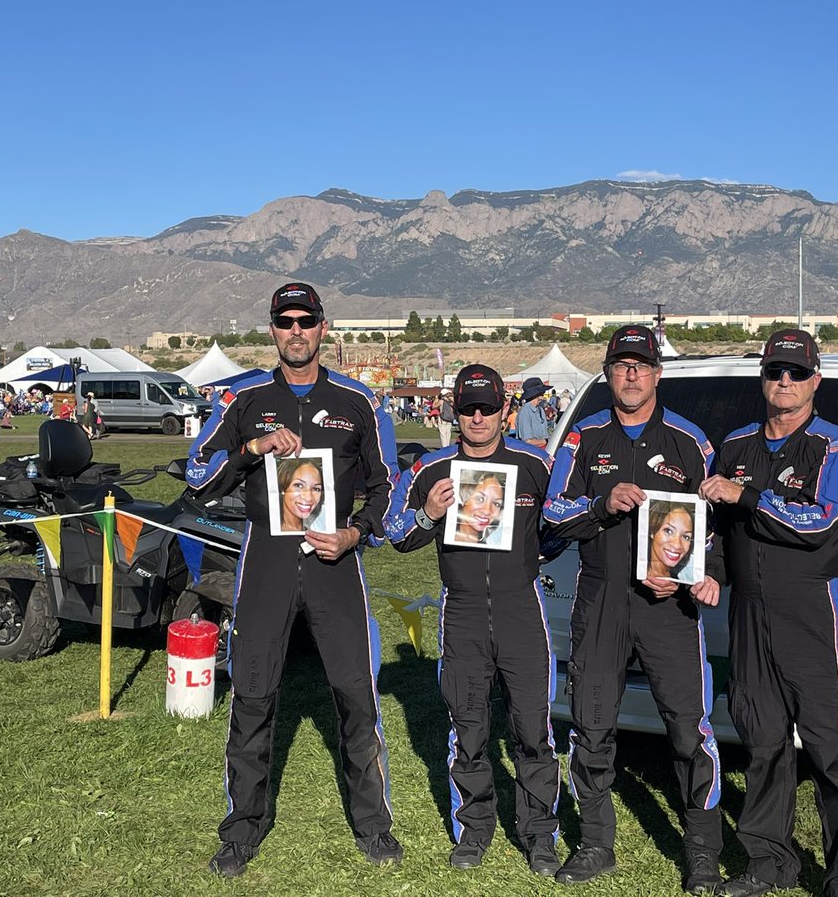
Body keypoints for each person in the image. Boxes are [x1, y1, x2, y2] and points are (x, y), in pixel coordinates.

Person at [187, 281, 403, 878]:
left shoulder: (360, 401)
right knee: (253, 695)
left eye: (307, 320)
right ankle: (242, 828)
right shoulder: (243, 397)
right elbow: (199, 477)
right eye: (286, 321)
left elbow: (390, 487)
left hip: (336, 564)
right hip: (266, 563)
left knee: (356, 695)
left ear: (323, 327)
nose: (297, 330)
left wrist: (357, 533)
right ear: (273, 329)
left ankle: (372, 823)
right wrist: (253, 447)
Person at [543, 325, 725, 893]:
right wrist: (601, 505)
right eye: (621, 365)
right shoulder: (583, 438)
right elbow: (551, 514)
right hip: (599, 598)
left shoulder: (690, 441)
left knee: (689, 729)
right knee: (592, 724)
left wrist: (706, 574)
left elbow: (717, 526)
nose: (630, 374)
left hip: (666, 607)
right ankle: (595, 844)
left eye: (641, 365)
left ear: (657, 373)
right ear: (606, 372)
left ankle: (702, 855)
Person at [700, 328, 838, 897]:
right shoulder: (737, 445)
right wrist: (712, 574)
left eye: (796, 373)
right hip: (750, 615)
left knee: (829, 749)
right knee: (763, 742)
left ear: (815, 380)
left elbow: (820, 521)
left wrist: (744, 496)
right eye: (775, 372)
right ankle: (767, 863)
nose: (784, 382)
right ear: (763, 378)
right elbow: (720, 531)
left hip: (812, 612)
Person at [385, 363, 561, 877]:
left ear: (506, 411)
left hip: (521, 609)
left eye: (487, 407)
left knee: (532, 728)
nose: (478, 417)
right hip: (460, 610)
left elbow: (560, 524)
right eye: (468, 409)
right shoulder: (432, 469)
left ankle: (539, 835)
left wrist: (529, 556)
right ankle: (475, 829)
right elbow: (395, 534)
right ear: (453, 412)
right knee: (469, 729)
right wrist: (429, 516)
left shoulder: (535, 462)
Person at [645, 500, 696, 582]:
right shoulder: (630, 571)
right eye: (668, 531)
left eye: (686, 537)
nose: (677, 545)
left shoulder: (684, 583)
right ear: (652, 531)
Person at [453, 470, 506, 545]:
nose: (487, 511)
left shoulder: (494, 543)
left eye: (496, 504)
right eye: (480, 499)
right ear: (464, 497)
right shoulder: (446, 530)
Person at [276, 457, 325, 533]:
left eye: (316, 489)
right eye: (299, 485)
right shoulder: (267, 529)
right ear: (283, 488)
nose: (308, 498)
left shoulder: (319, 528)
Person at [515, 377, 551, 450]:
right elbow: (527, 441)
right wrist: (547, 441)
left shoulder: (540, 409)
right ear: (536, 393)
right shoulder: (525, 411)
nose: (544, 393)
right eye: (542, 391)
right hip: (531, 454)